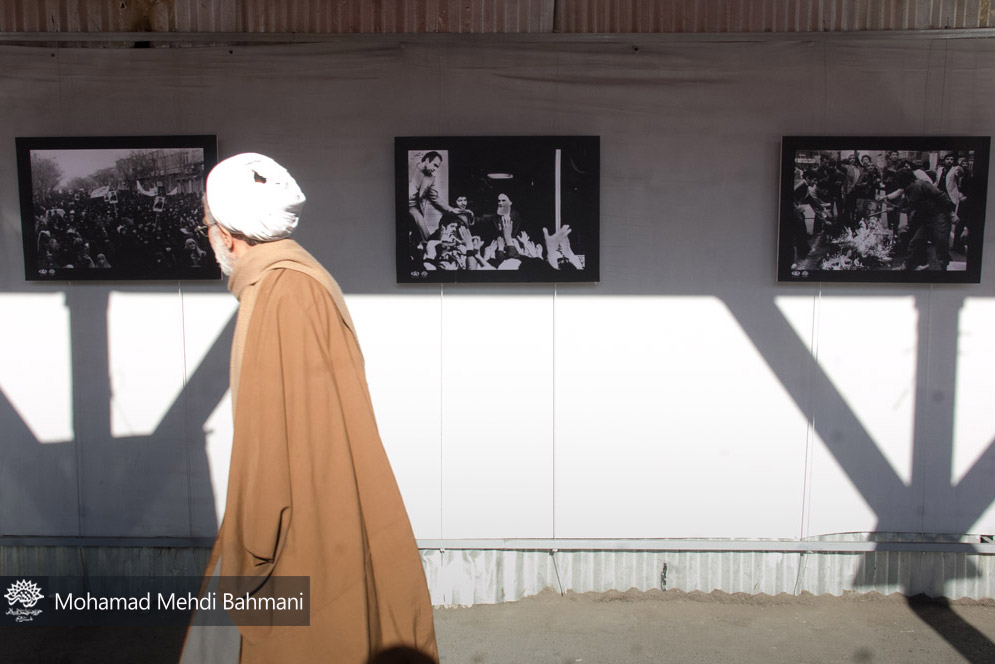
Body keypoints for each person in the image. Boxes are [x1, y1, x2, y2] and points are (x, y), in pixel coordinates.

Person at [183, 153, 438, 663]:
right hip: (325, 504)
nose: (208, 238)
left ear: (226, 235)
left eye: (206, 227)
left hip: (306, 524)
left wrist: (252, 551)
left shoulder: (282, 293)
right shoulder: (294, 281)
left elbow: (270, 444)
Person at [407, 151, 461, 242]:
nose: (435, 169)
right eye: (435, 165)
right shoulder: (409, 168)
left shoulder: (431, 178)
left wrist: (451, 209)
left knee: (421, 227)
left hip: (413, 208)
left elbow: (435, 197)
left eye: (437, 167)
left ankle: (430, 245)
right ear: (427, 160)